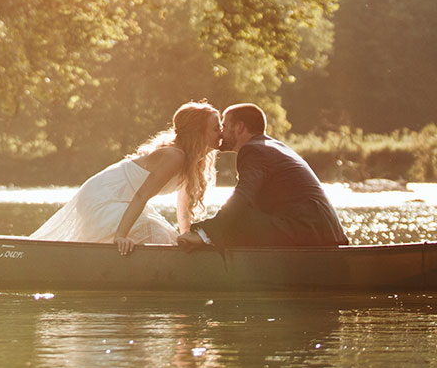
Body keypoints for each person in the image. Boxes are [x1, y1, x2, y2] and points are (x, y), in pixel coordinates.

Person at [30, 102, 222, 254]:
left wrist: (187, 237)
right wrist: (121, 236)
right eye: (215, 128)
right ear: (198, 132)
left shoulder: (194, 161)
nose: (221, 133)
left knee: (171, 240)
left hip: (126, 201)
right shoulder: (174, 156)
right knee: (159, 236)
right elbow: (142, 196)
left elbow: (184, 207)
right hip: (105, 196)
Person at [176, 102, 348, 249]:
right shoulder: (270, 146)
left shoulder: (253, 150)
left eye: (225, 126)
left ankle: (202, 245)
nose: (221, 133)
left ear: (239, 127)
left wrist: (204, 233)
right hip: (321, 232)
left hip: (308, 232)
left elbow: (242, 197)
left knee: (240, 214)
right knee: (243, 213)